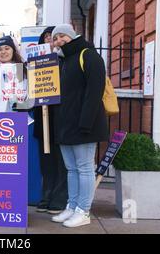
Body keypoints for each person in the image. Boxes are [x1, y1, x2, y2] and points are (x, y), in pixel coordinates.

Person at [50, 24, 108, 228]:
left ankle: (83, 211)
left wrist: (85, 123)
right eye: (55, 38)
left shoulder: (89, 55)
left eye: (62, 36)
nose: (58, 41)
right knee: (71, 169)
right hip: (66, 124)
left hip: (84, 124)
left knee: (84, 168)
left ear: (72, 36)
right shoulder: (62, 60)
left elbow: (95, 91)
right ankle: (72, 206)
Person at [33, 26, 68, 214]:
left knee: (60, 160)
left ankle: (60, 197)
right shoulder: (35, 63)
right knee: (46, 160)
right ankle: (46, 195)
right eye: (46, 37)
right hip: (42, 117)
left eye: (52, 37)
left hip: (60, 117)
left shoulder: (64, 60)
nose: (49, 40)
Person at [0, 36, 28, 113]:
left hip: (18, 116)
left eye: (7, 48)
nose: (3, 52)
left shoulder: (22, 69)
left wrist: (24, 104)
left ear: (13, 50)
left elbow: (28, 91)